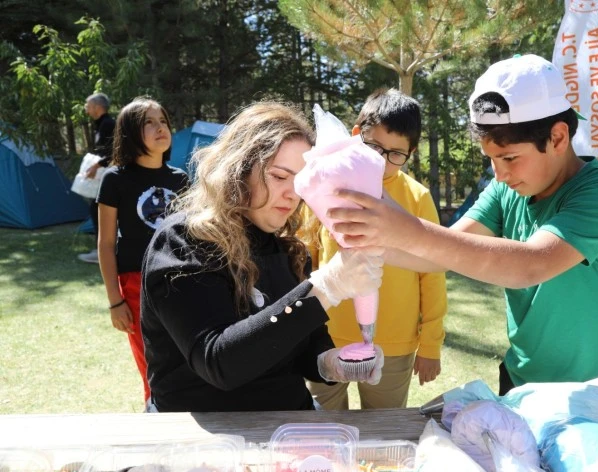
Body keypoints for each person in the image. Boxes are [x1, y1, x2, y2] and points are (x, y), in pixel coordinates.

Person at [327, 54, 598, 396]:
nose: (499, 174)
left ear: (559, 138)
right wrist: (370, 239)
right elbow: (443, 252)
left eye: (509, 158)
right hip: (522, 378)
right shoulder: (506, 189)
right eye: (491, 159)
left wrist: (404, 227)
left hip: (596, 391)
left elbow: (530, 264)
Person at [140, 102, 385, 412]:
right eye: (279, 176)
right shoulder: (183, 241)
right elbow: (219, 363)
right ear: (238, 169)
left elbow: (304, 344)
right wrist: (326, 288)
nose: (292, 194)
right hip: (205, 441)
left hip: (288, 428)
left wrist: (330, 364)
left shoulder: (288, 249)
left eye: (300, 181)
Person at [301, 89, 447, 410]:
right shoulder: (324, 187)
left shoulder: (417, 198)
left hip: (393, 343)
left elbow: (433, 273)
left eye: (396, 153)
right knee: (321, 429)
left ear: (410, 153)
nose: (383, 160)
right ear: (355, 135)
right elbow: (306, 262)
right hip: (325, 339)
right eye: (375, 146)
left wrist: (430, 345)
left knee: (383, 433)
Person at [97, 96, 188, 405]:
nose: (159, 127)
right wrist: (114, 301)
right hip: (136, 284)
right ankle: (156, 419)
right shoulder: (115, 180)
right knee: (151, 365)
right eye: (148, 122)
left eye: (163, 121)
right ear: (130, 133)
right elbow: (106, 244)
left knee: (187, 361)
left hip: (180, 281)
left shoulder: (180, 179)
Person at [78, 93, 116, 264]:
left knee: (99, 210)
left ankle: (103, 251)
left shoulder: (108, 124)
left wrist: (96, 165)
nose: (86, 109)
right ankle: (100, 249)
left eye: (88, 105)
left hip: (108, 175)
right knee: (95, 209)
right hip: (102, 174)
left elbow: (113, 151)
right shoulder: (100, 124)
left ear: (97, 107)